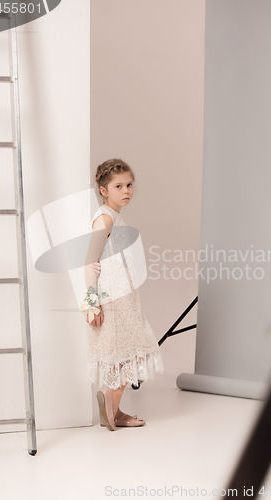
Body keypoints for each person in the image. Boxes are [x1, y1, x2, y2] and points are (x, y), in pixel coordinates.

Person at [84, 158, 164, 431]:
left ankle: (114, 410)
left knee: (125, 351)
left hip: (124, 293)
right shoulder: (105, 218)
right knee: (125, 351)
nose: (126, 190)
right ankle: (111, 403)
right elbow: (89, 261)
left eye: (129, 184)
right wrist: (91, 304)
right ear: (104, 190)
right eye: (118, 186)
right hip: (113, 297)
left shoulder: (115, 216)